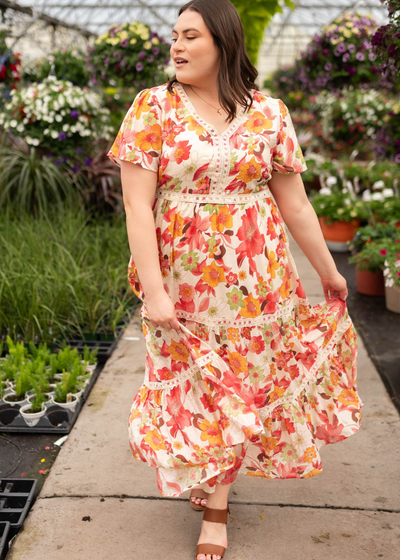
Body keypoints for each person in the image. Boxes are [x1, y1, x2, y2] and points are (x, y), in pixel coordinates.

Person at [107, 1, 363, 558]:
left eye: (190, 36)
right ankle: (208, 468)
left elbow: (294, 204)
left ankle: (218, 507)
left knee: (242, 384)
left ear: (223, 43)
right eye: (173, 35)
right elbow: (135, 204)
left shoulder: (269, 112)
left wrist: (328, 270)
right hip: (183, 279)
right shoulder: (153, 108)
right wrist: (153, 290)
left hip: (258, 277)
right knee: (197, 386)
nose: (175, 46)